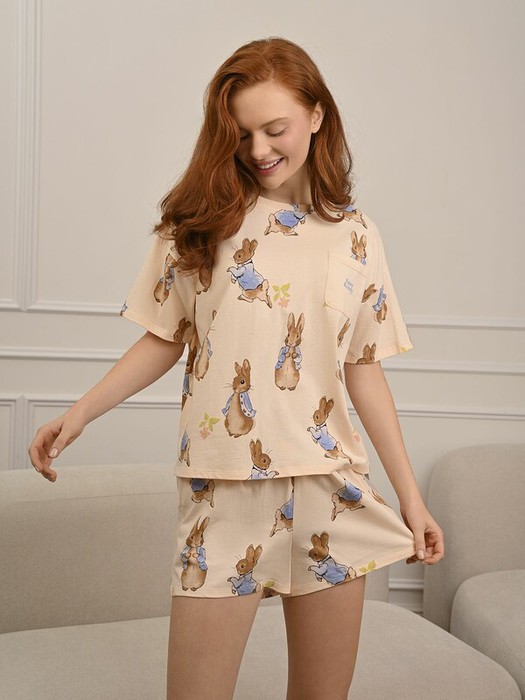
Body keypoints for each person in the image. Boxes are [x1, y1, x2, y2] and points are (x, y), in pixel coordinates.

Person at [28, 36, 444, 700]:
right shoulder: (200, 223)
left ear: (316, 114)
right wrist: (79, 414)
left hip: (330, 489)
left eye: (275, 129)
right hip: (223, 490)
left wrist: (411, 499)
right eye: (242, 133)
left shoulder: (357, 235)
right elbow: (163, 338)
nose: (257, 149)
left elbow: (363, 369)